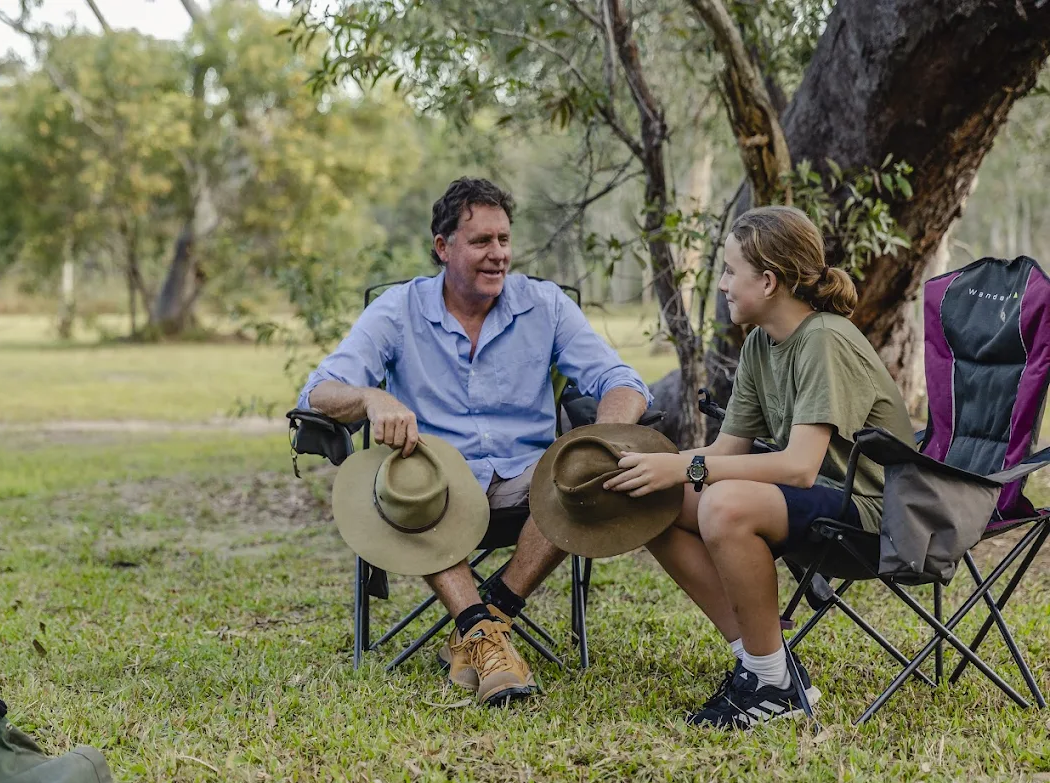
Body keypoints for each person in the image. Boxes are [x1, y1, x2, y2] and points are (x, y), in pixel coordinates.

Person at [298, 177, 651, 706]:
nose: (498, 255)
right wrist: (373, 399)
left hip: (529, 483)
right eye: (482, 242)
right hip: (436, 485)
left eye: (504, 241)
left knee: (583, 470)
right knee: (404, 483)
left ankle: (484, 627)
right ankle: (486, 636)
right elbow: (317, 391)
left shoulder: (545, 305)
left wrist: (604, 436)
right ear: (443, 248)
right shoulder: (398, 310)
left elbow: (621, 380)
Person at [606, 205, 913, 729]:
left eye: (729, 271)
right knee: (651, 500)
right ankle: (764, 665)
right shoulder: (759, 346)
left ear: (769, 281)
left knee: (724, 504)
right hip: (820, 503)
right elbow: (728, 452)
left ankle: (772, 684)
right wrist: (661, 468)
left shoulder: (823, 339)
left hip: (878, 516)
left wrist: (688, 470)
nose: (722, 284)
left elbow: (797, 467)